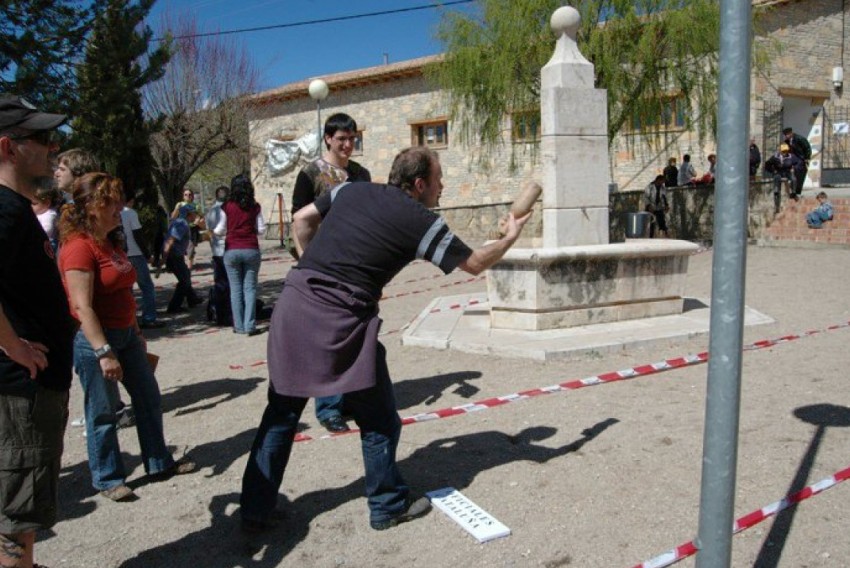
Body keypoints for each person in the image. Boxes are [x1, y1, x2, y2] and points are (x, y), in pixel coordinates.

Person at [239, 146, 531, 533]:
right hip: (342, 319)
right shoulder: (422, 221)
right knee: (378, 419)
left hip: (295, 302)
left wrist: (312, 264)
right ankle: (387, 505)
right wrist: (511, 236)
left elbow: (302, 218)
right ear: (420, 184)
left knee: (280, 414)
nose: (442, 187)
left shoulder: (353, 189)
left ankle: (255, 511)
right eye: (439, 180)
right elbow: (475, 263)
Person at [58, 172, 196, 502]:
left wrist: (135, 331)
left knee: (148, 397)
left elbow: (123, 293)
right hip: (97, 341)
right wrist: (103, 351)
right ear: (91, 205)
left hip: (127, 336)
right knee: (103, 411)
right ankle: (108, 478)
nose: (119, 207)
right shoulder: (78, 247)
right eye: (111, 201)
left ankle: (158, 462)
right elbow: (81, 306)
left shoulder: (111, 242)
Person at [0, 94, 76, 568]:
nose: (52, 148)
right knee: (17, 510)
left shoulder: (13, 209)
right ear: (7, 146)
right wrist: (15, 348)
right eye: (41, 138)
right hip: (23, 391)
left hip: (28, 389)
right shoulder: (4, 210)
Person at [291, 112, 372, 433]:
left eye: (352, 138)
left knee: (356, 334)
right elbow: (298, 221)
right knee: (328, 338)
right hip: (321, 266)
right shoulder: (310, 174)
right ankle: (328, 407)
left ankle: (352, 397)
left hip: (357, 265)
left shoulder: (361, 174)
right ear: (328, 138)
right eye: (342, 139)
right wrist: (305, 264)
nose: (348, 144)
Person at [213, 175, 264, 335]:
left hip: (231, 249)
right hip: (251, 248)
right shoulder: (255, 207)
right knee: (250, 289)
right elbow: (261, 230)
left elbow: (219, 230)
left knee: (235, 290)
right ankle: (250, 325)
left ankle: (239, 325)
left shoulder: (227, 207)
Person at [121, 196, 164, 329]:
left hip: (121, 254)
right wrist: (147, 254)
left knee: (127, 289)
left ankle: (130, 320)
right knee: (147, 287)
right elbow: (137, 234)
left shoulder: (114, 213)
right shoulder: (130, 213)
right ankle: (149, 317)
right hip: (135, 253)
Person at [161, 206, 203, 313]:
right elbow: (170, 240)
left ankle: (192, 299)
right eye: (194, 213)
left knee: (186, 276)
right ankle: (174, 307)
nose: (195, 215)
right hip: (173, 256)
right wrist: (164, 258)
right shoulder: (182, 224)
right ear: (188, 214)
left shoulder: (181, 222)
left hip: (176, 255)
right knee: (184, 281)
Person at [205, 185, 232, 326]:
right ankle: (232, 313)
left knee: (221, 284)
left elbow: (209, 232)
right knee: (233, 284)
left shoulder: (211, 212)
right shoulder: (230, 210)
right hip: (230, 249)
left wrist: (213, 246)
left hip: (217, 251)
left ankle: (220, 315)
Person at [171, 189, 200, 270]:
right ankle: (183, 266)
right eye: (185, 194)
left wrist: (198, 220)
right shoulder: (179, 204)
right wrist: (177, 209)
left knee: (190, 248)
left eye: (190, 194)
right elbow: (173, 217)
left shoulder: (196, 205)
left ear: (192, 196)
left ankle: (189, 267)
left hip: (192, 228)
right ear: (183, 196)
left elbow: (199, 216)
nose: (188, 196)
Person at [32, 186, 63, 254]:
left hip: (47, 245)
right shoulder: (40, 212)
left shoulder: (49, 215)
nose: (31, 206)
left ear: (47, 203)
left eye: (34, 204)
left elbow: (47, 230)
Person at [783, 126, 812, 199]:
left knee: (800, 176)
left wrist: (807, 158)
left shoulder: (799, 139)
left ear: (791, 133)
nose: (786, 136)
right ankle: (793, 192)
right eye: (785, 135)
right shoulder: (786, 142)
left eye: (787, 134)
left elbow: (807, 147)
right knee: (792, 176)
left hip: (801, 159)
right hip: (792, 160)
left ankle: (797, 192)